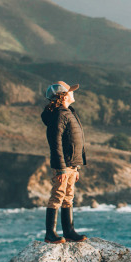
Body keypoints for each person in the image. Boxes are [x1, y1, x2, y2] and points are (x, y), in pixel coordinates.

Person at [40, 81, 88, 243]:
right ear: (63, 95)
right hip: (64, 165)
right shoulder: (60, 114)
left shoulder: (68, 112)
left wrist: (77, 166)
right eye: (70, 91)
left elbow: (74, 140)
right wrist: (60, 168)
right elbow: (55, 142)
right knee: (58, 196)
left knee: (68, 197)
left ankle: (69, 232)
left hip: (71, 164)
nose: (73, 93)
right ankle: (50, 234)